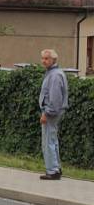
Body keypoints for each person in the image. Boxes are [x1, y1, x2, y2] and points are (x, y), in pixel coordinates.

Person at [38, 49, 68, 180]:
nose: (44, 61)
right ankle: (56, 168)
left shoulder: (55, 75)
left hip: (51, 113)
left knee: (48, 141)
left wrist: (47, 113)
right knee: (53, 140)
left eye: (46, 58)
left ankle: (52, 171)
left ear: (53, 60)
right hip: (54, 112)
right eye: (43, 58)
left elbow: (54, 98)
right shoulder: (53, 73)